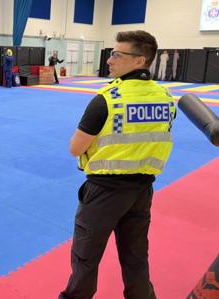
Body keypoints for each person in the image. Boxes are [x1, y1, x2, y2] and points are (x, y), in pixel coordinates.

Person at [60, 30, 175, 299]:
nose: (109, 60)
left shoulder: (107, 100)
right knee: (136, 256)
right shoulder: (166, 98)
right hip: (142, 190)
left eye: (116, 55)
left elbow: (75, 148)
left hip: (104, 191)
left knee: (85, 257)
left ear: (140, 60)